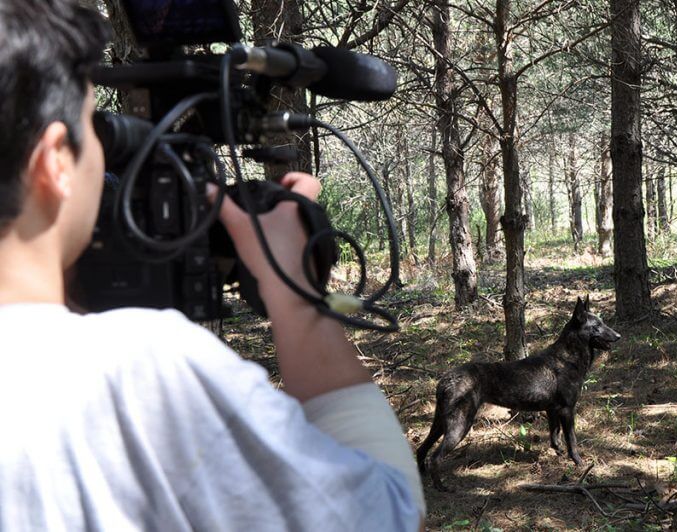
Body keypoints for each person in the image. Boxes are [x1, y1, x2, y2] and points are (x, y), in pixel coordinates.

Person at [0, 0, 424, 529]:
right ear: (55, 161)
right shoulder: (145, 377)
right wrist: (293, 290)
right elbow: (386, 511)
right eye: (96, 129)